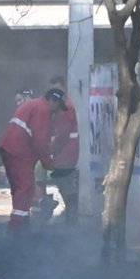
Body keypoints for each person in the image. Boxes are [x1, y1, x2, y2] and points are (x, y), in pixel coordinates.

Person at [0, 88, 66, 232]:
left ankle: (20, 222)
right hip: (19, 151)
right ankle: (18, 227)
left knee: (19, 188)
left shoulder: (34, 105)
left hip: (10, 149)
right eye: (58, 107)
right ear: (52, 100)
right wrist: (49, 163)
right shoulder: (43, 110)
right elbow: (40, 141)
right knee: (26, 188)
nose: (57, 112)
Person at [47, 75, 81, 224]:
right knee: (64, 185)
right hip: (64, 152)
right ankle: (70, 217)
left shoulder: (65, 108)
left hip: (65, 153)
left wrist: (51, 150)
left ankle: (71, 219)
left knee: (65, 185)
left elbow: (62, 135)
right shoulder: (62, 106)